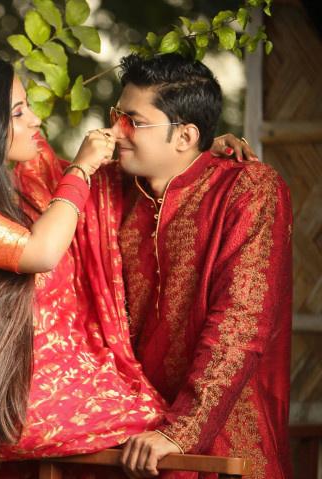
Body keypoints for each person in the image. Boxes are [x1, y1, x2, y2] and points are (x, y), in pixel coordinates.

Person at [0, 55, 168, 479]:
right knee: (154, 422)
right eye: (18, 112)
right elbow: (42, 251)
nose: (35, 120)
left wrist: (196, 154)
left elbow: (90, 200)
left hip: (25, 383)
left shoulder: (22, 189)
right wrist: (81, 167)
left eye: (28, 105)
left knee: (157, 418)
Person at [110, 54, 293, 479]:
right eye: (116, 116)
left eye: (133, 121)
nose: (115, 130)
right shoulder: (117, 194)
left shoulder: (249, 189)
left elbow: (241, 322)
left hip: (221, 444)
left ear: (185, 135)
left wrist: (181, 431)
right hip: (132, 443)